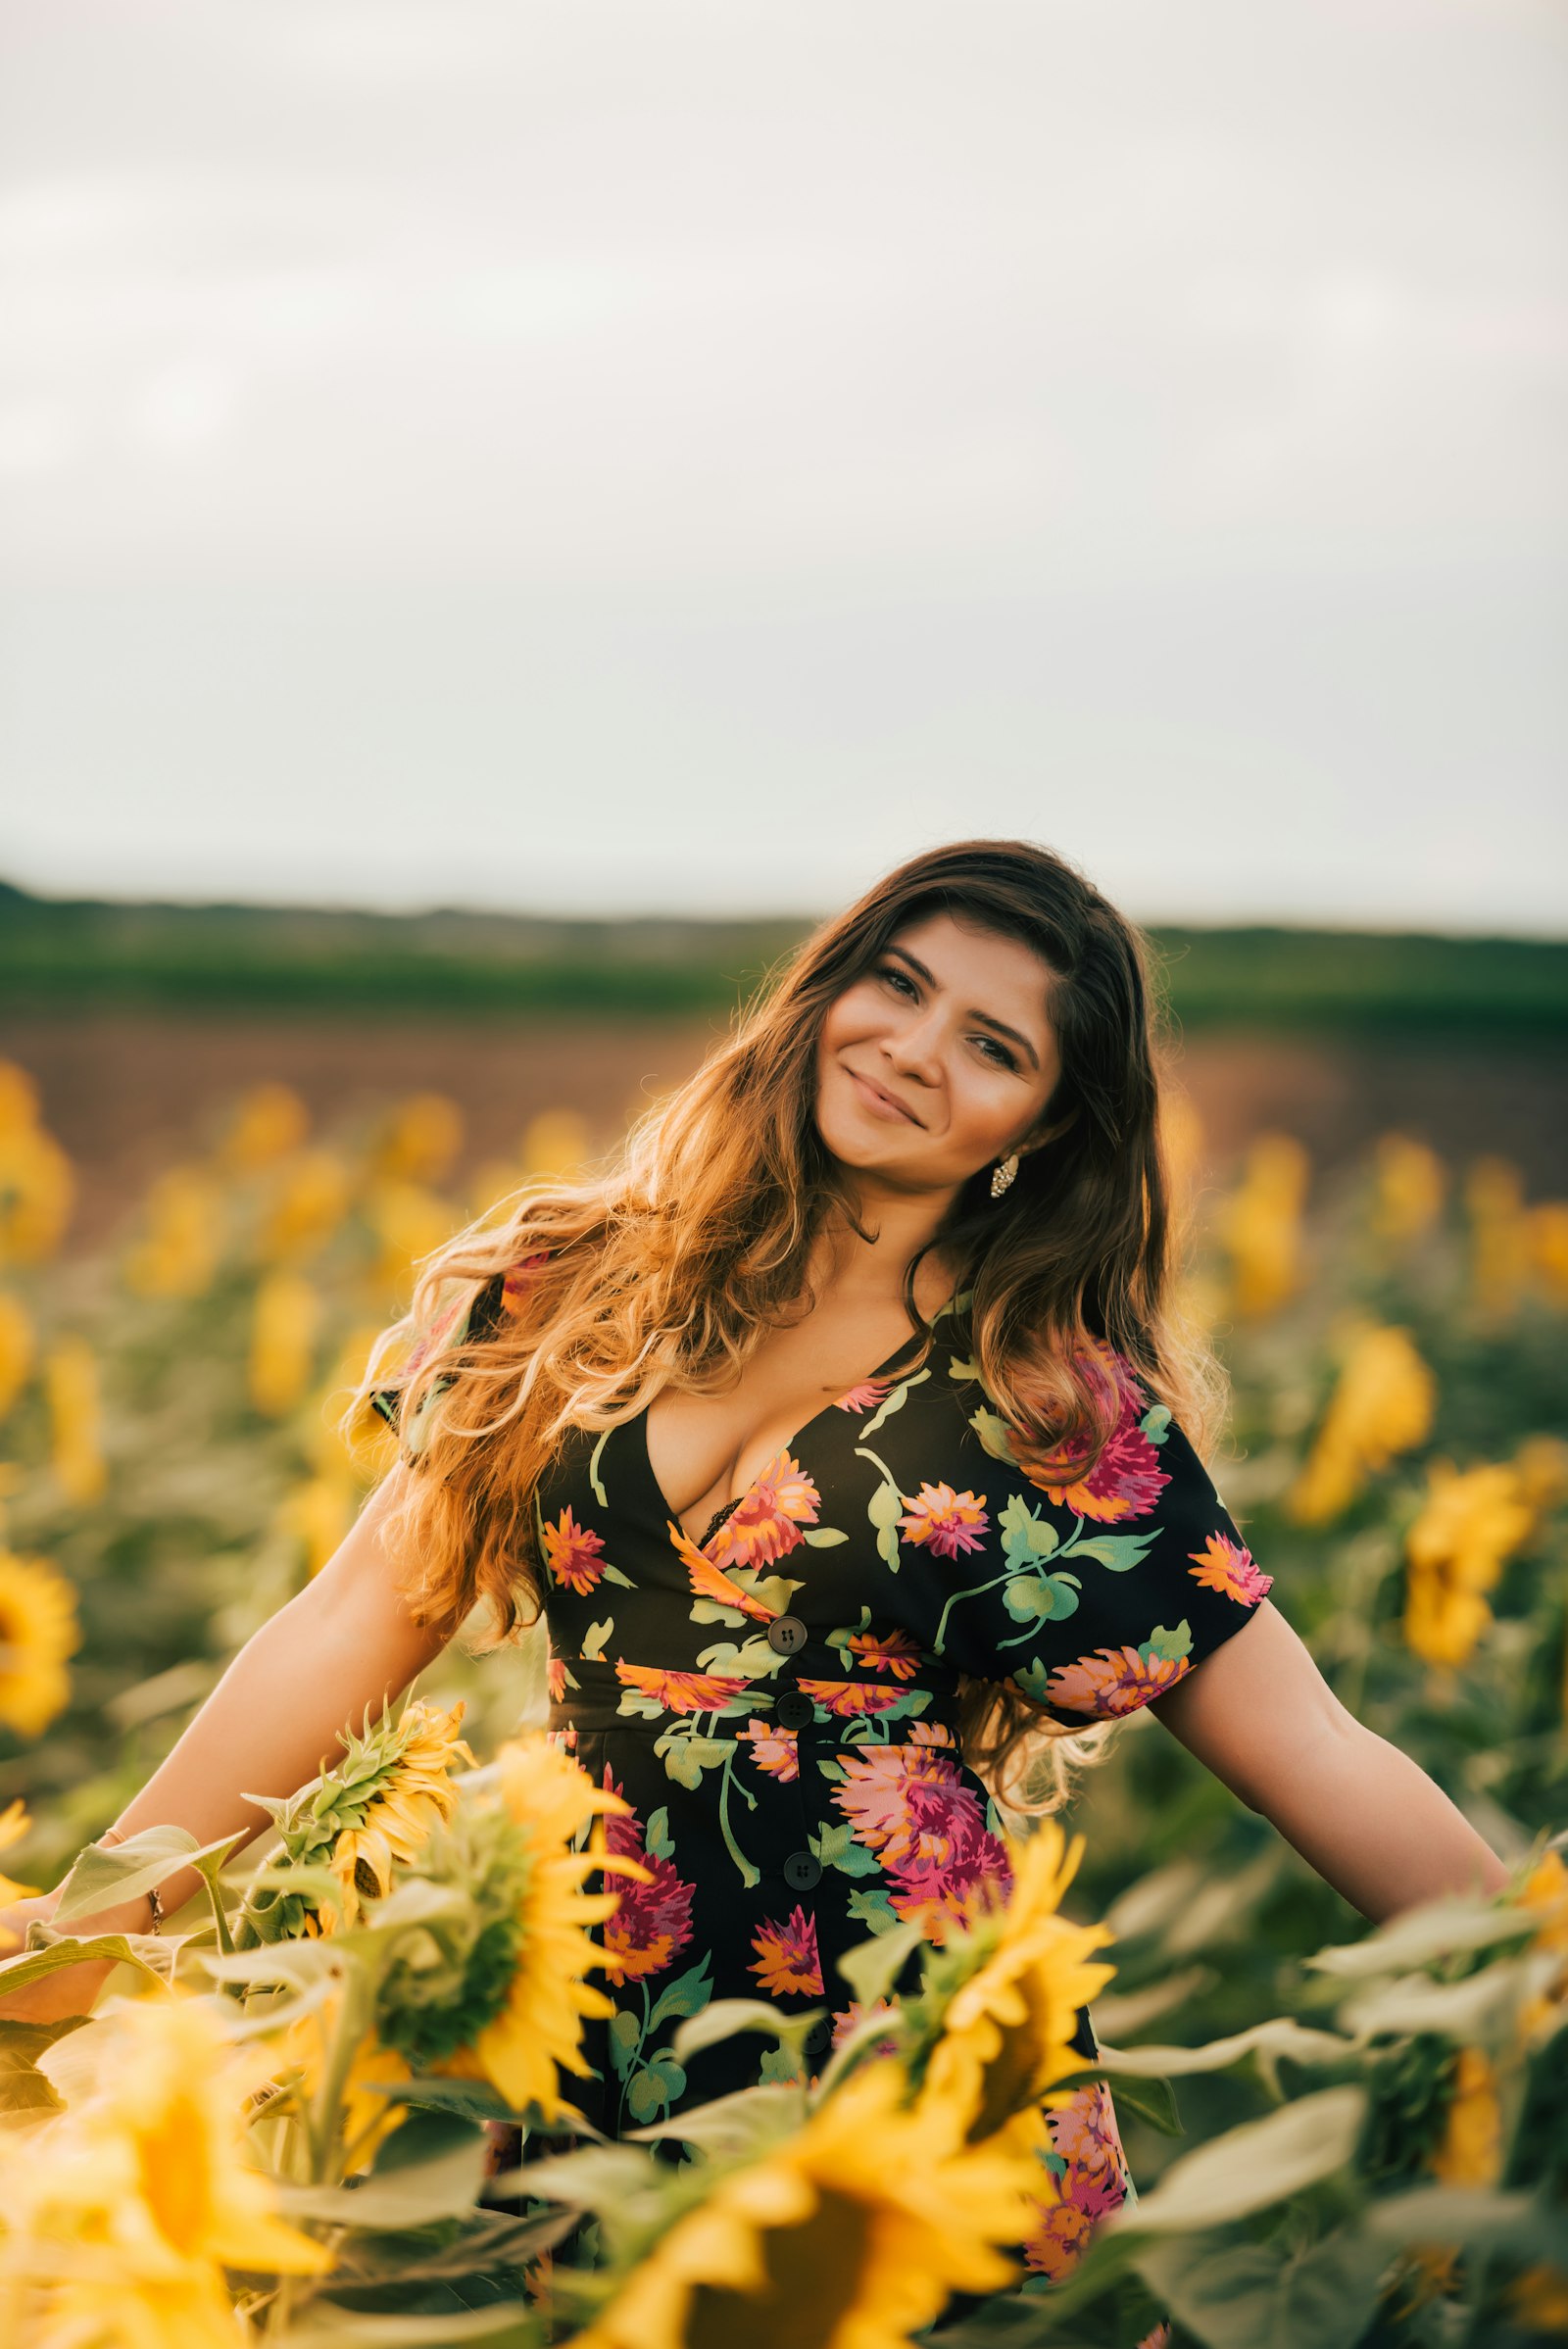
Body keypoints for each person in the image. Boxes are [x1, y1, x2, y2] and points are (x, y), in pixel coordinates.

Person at [0, 838, 1506, 2302]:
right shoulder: (569, 1281)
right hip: (574, 2010)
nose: (914, 1049)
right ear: (823, 988)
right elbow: (349, 1621)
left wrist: (1528, 1993)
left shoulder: (1050, 1412)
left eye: (990, 1044)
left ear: (1044, 1125)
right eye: (897, 984)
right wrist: (91, 1932)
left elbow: (1306, 1741)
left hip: (906, 2074)